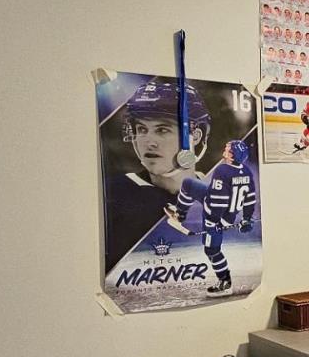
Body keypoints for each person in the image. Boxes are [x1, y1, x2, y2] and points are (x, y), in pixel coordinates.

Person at [103, 79, 209, 271]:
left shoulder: (218, 187)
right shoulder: (114, 193)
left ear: (196, 135)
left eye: (162, 130)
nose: (148, 141)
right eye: (142, 129)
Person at [169, 140, 258, 295]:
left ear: (232, 155)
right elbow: (250, 199)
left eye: (227, 149)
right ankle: (180, 214)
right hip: (226, 213)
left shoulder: (223, 170)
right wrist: (247, 219)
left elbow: (219, 200)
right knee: (189, 184)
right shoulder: (247, 171)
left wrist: (213, 221)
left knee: (211, 250)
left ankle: (225, 281)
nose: (225, 149)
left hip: (215, 214)